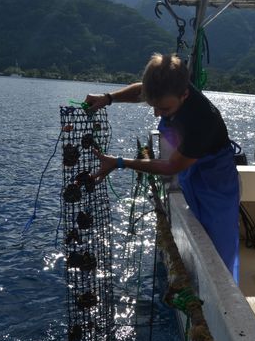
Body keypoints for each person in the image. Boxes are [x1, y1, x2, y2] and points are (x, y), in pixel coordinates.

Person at [84, 53, 240, 284]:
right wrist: (108, 98)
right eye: (153, 106)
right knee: (192, 216)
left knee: (220, 240)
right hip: (187, 160)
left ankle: (225, 290)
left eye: (164, 109)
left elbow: (170, 166)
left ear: (185, 94)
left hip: (215, 171)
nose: (157, 113)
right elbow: (143, 90)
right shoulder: (170, 86)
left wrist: (119, 162)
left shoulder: (201, 122)